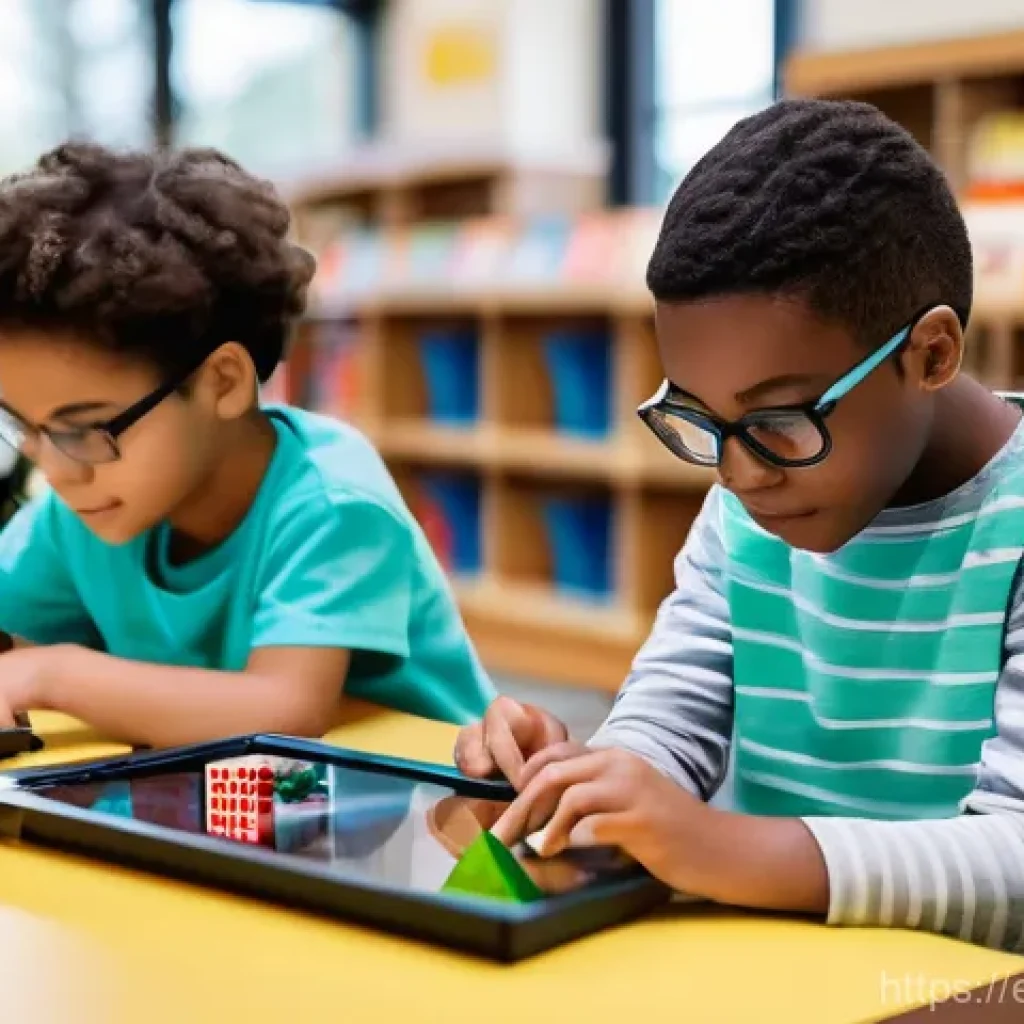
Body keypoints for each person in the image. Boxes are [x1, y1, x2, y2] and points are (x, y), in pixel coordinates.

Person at [455, 98, 1024, 952]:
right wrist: (586, 781)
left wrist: (719, 845)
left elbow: (1015, 864)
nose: (737, 473)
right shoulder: (751, 502)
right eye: (701, 420)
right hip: (765, 970)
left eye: (780, 421)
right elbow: (669, 719)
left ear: (931, 354)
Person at [0, 142, 494, 747]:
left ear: (222, 383)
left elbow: (283, 713)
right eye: (26, 427)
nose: (54, 468)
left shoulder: (332, 504)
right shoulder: (87, 505)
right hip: (243, 817)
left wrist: (53, 674)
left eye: (82, 429)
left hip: (432, 821)